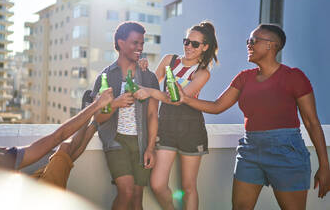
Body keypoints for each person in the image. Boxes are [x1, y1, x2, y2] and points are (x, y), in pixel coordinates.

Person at [175, 24, 330, 209]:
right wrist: (184, 98)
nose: (248, 45)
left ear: (271, 45)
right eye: (248, 41)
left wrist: (324, 165)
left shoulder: (294, 77)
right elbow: (217, 106)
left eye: (253, 41)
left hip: (286, 151)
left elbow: (312, 122)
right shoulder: (244, 78)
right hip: (250, 151)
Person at [134, 21, 219, 210]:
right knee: (157, 183)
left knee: (189, 188)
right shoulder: (169, 60)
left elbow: (178, 99)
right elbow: (152, 83)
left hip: (192, 130)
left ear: (205, 47)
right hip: (166, 127)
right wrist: (143, 70)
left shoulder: (203, 73)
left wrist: (150, 91)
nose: (188, 46)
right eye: (187, 41)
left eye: (195, 44)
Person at [0, 88, 113, 189]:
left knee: (63, 157)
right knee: (65, 150)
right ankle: (93, 120)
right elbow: (57, 136)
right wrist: (97, 105)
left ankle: (94, 124)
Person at [90, 21, 159, 210]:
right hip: (116, 142)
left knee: (137, 197)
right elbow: (98, 118)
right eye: (135, 43)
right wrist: (116, 104)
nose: (140, 48)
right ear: (121, 43)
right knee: (126, 191)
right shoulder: (105, 77)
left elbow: (153, 115)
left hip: (141, 143)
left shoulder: (149, 77)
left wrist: (151, 148)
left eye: (142, 44)